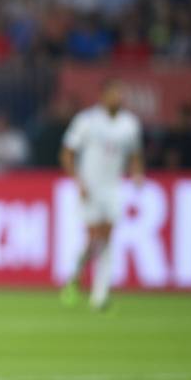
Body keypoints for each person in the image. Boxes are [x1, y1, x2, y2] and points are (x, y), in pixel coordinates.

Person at [59, 79, 143, 310]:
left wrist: (137, 174)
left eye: (120, 93)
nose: (118, 98)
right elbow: (67, 152)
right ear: (103, 97)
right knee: (96, 238)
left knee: (107, 239)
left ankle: (100, 295)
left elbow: (135, 154)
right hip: (91, 186)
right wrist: (78, 181)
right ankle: (76, 277)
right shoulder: (87, 121)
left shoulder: (130, 124)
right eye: (114, 94)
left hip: (113, 188)